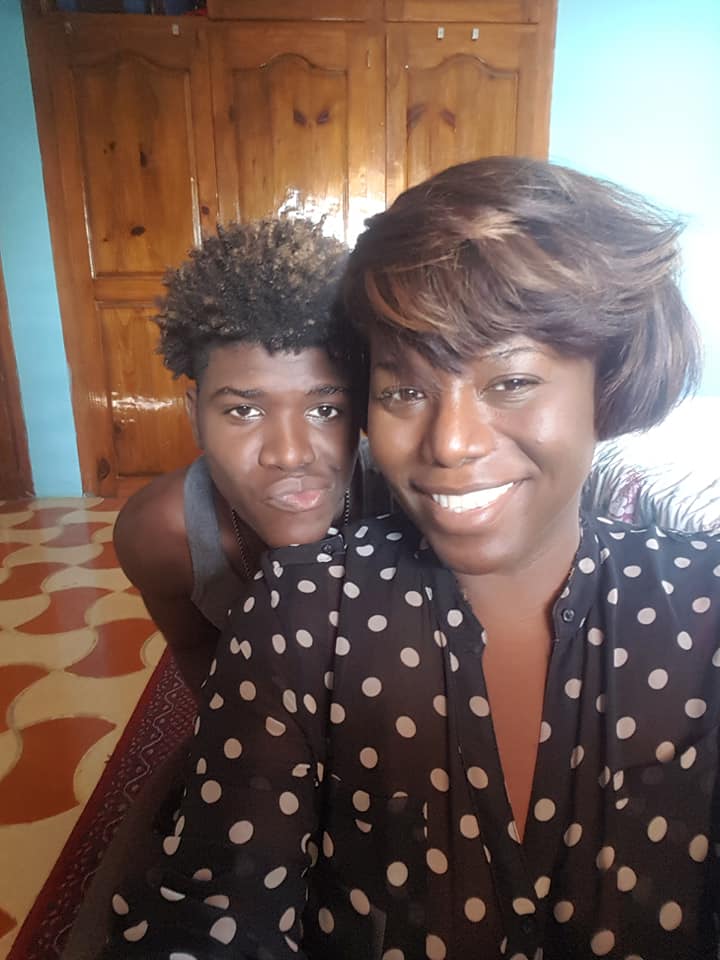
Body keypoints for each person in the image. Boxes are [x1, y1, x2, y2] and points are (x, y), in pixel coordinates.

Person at [98, 158, 719, 960]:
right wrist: (247, 744)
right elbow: (219, 895)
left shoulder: (698, 604)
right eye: (407, 390)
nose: (450, 443)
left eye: (511, 380)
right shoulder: (226, 566)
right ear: (195, 414)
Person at [113, 217, 390, 698]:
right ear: (195, 417)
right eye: (244, 410)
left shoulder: (403, 504)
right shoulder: (158, 536)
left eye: (326, 410)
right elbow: (196, 651)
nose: (290, 455)